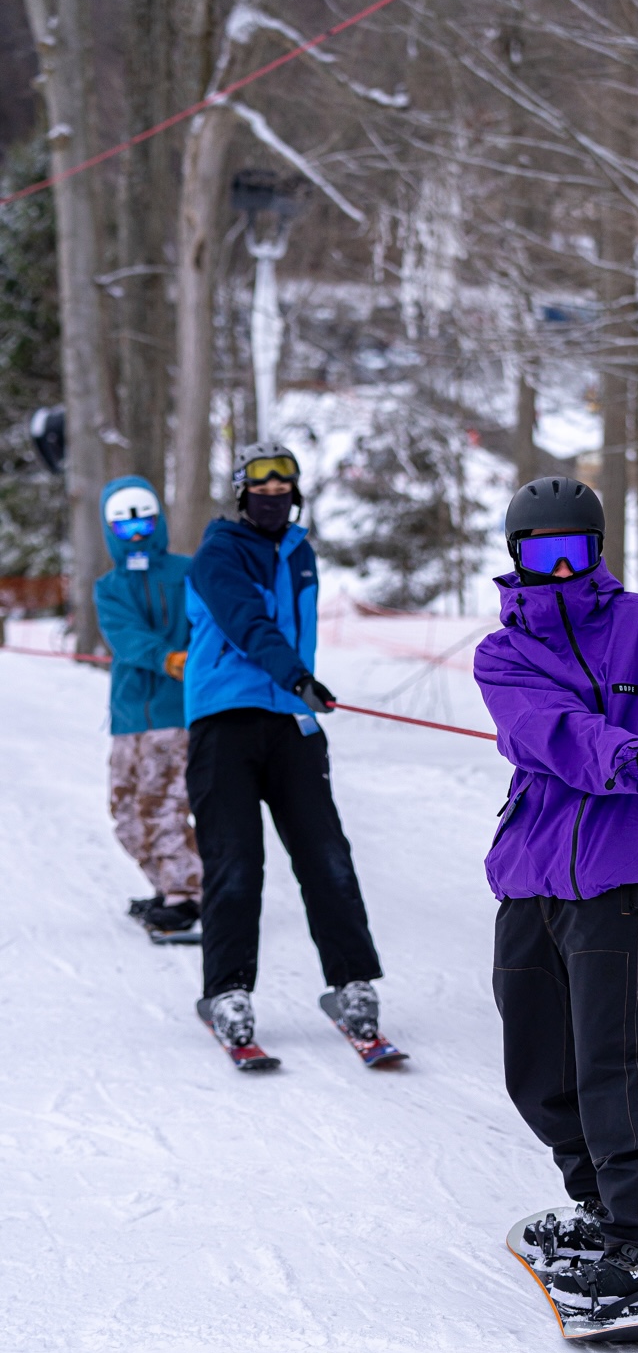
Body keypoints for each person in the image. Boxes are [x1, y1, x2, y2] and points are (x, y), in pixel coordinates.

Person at [474, 475, 638, 1324]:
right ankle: (604, 1208)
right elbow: (548, 731)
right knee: (539, 1072)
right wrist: (636, 760)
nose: (558, 571)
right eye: (540, 554)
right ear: (516, 557)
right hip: (530, 869)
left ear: (597, 552)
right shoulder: (502, 653)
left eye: (574, 553)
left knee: (615, 1065)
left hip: (622, 872)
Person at [183, 442, 384, 1052]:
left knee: (327, 857)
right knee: (237, 862)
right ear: (242, 494)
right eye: (260, 489)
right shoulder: (217, 553)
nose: (272, 498)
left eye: (283, 489)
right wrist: (294, 674)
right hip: (224, 720)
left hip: (292, 720)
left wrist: (298, 690)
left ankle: (351, 983)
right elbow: (248, 622)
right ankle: (227, 990)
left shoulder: (300, 552)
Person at [94, 478, 202, 937]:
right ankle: (169, 886)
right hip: (129, 714)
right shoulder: (109, 587)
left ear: (157, 521)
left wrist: (188, 660)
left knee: (163, 804)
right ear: (110, 530)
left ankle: (186, 896)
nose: (136, 533)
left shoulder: (188, 573)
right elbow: (124, 635)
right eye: (124, 525)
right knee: (125, 812)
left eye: (144, 521)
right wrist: (164, 657)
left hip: (175, 713)